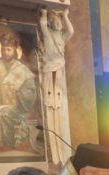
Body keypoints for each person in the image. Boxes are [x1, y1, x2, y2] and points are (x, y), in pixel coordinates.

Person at [38, 7, 74, 165]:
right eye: (55, 21)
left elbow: (71, 31)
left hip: (59, 66)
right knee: (48, 93)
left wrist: (65, 16)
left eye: (59, 22)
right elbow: (42, 25)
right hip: (48, 66)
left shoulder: (62, 36)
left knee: (58, 92)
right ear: (51, 23)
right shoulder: (48, 34)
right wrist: (44, 14)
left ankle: (56, 100)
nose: (58, 24)